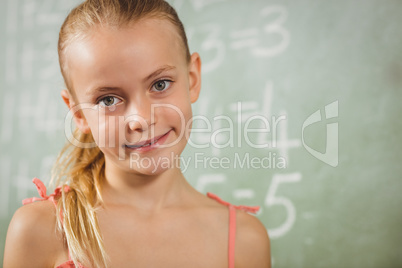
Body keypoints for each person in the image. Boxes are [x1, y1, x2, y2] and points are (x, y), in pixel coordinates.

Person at [3, 0, 271, 267]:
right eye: (108, 100)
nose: (141, 120)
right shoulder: (39, 230)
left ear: (192, 78)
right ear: (79, 115)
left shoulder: (245, 241)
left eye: (160, 84)